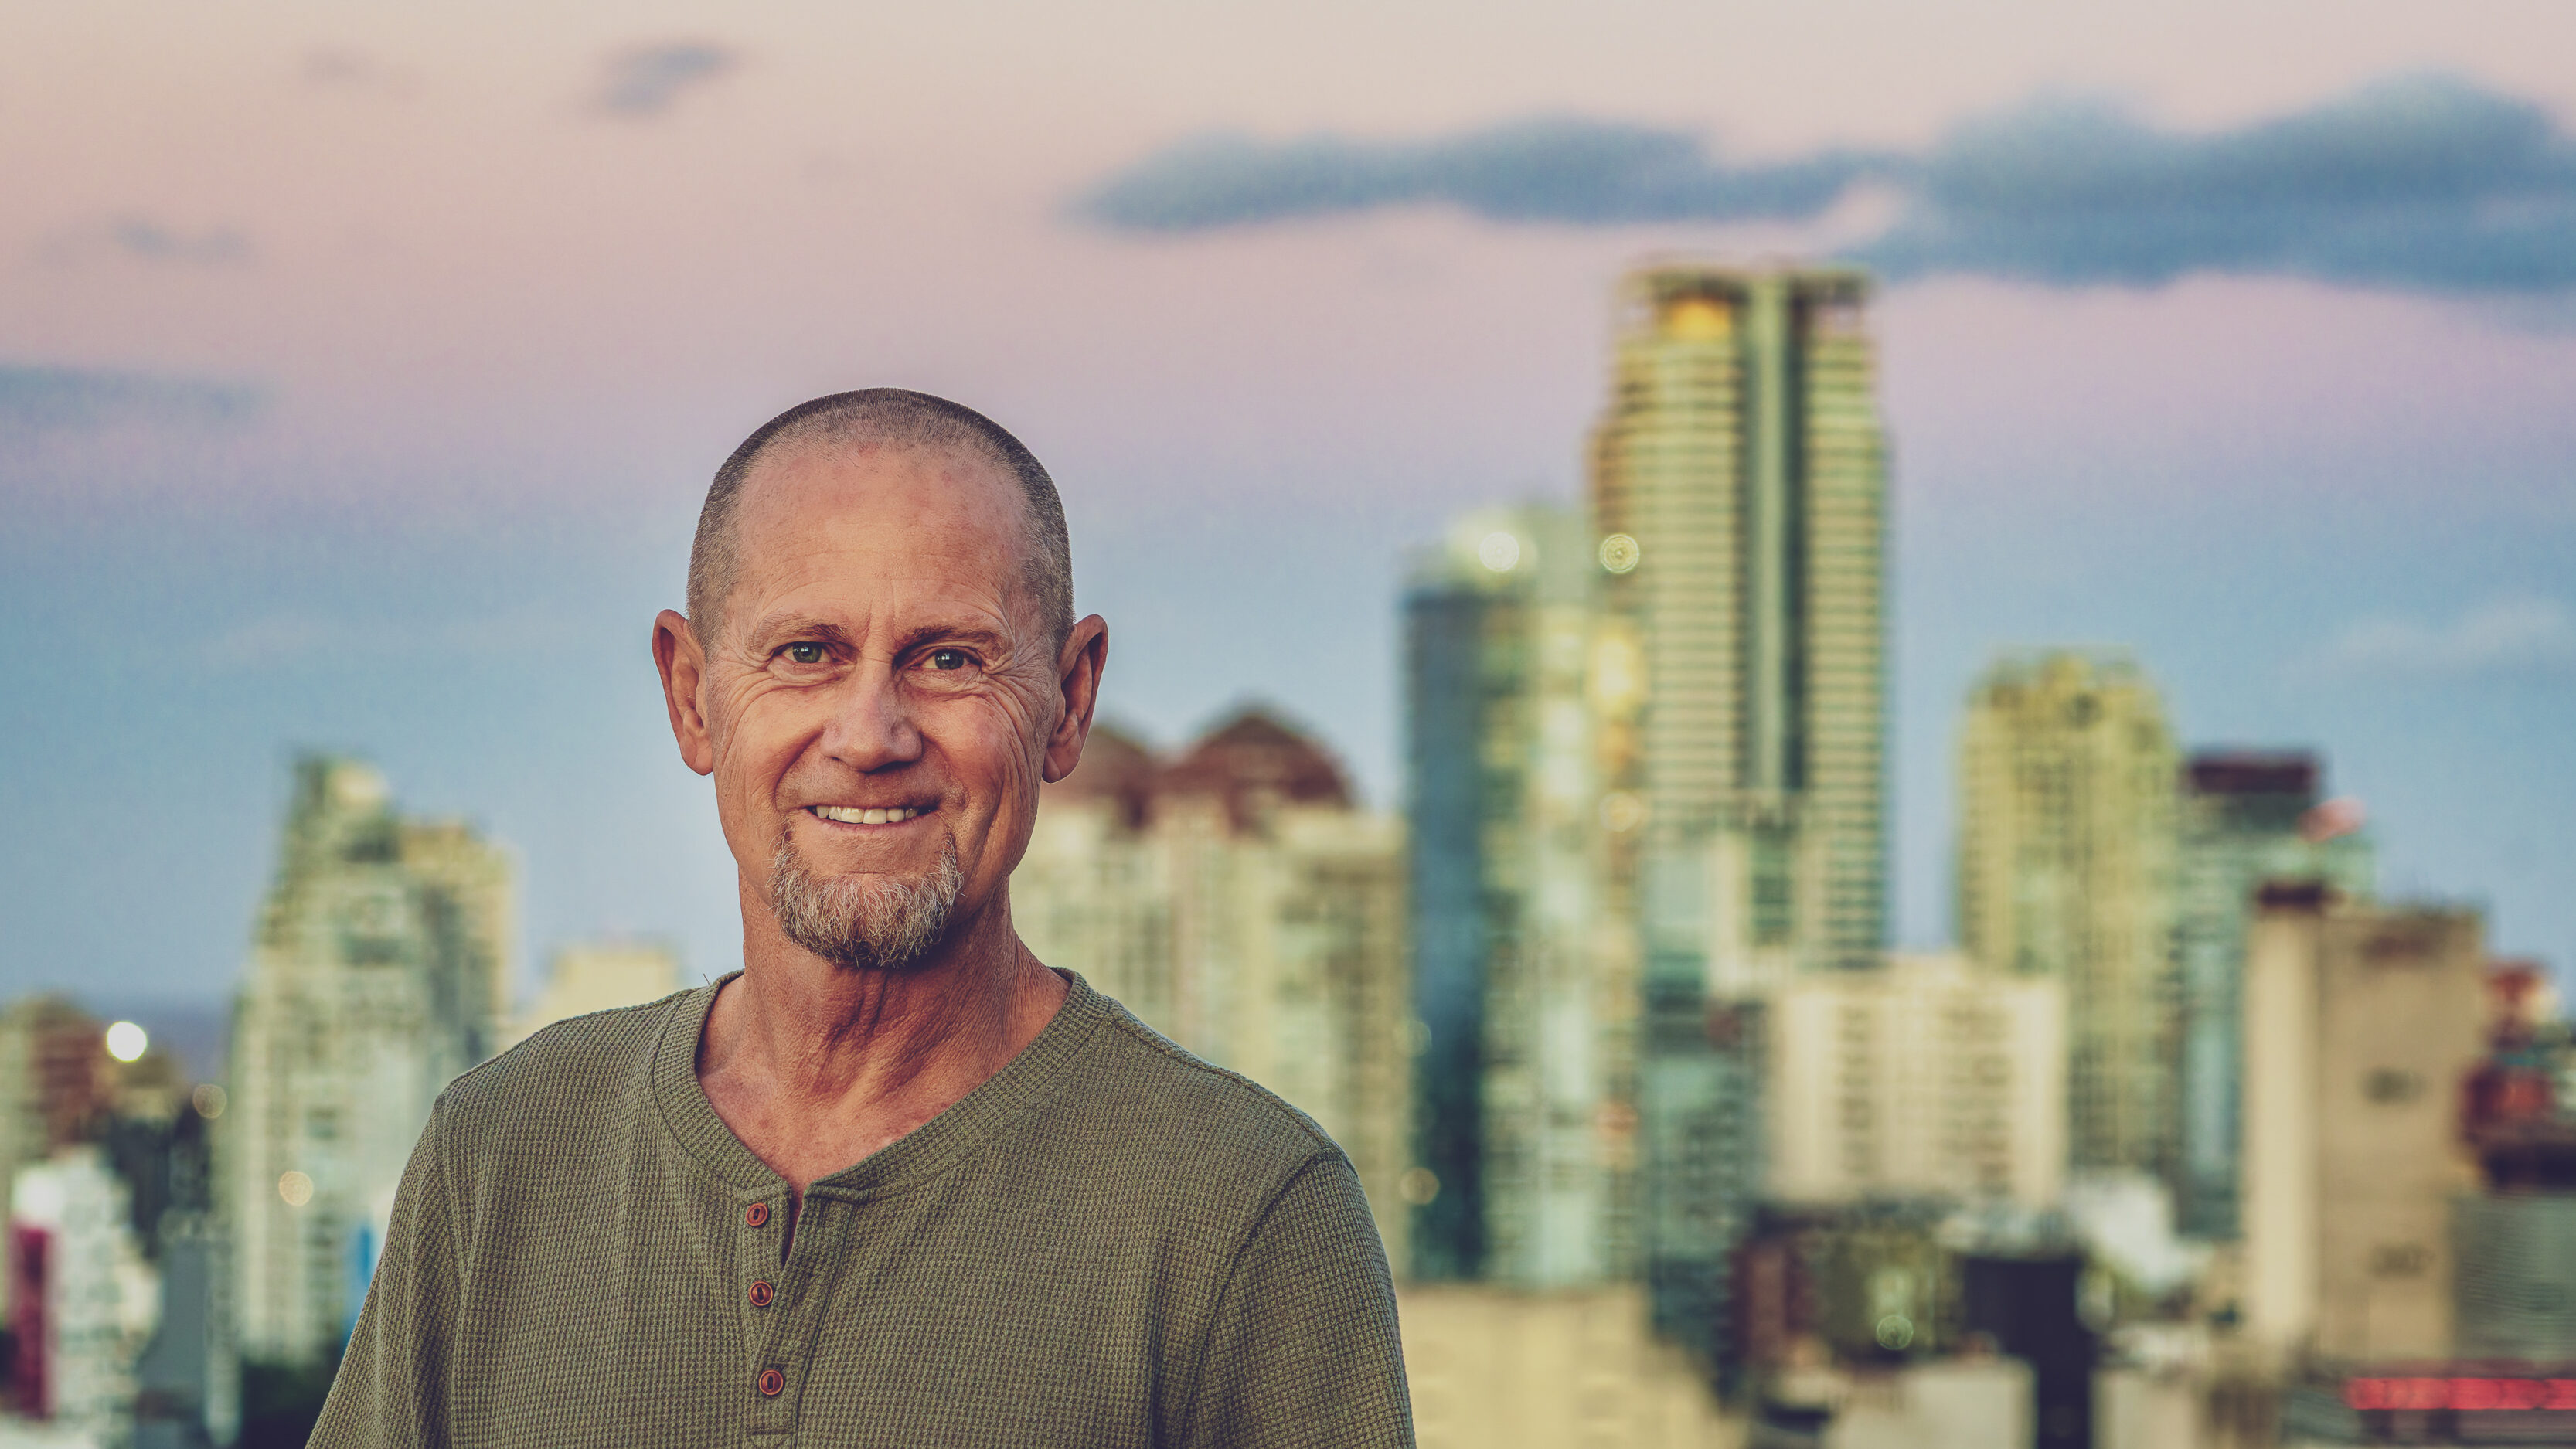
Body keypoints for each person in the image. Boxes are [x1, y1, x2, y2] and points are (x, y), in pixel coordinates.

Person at [311, 389, 1414, 1447]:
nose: (870, 731)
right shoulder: (503, 1153)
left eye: (948, 659)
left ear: (1068, 704)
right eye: (806, 654)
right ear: (691, 696)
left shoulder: (1243, 1208)